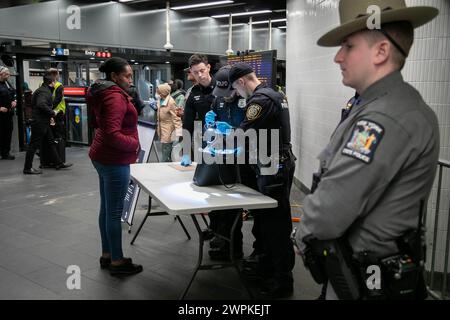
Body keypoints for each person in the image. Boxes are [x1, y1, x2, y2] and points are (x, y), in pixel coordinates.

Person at [295, 0, 440, 300]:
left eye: (348, 46)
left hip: (367, 281)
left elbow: (332, 207)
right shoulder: (376, 105)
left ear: (381, 52)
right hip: (359, 274)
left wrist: (302, 231)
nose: (338, 57)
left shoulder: (384, 118)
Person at [226, 62, 297, 298]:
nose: (237, 94)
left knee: (276, 225)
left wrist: (224, 139)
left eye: (236, 89)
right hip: (274, 163)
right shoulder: (276, 94)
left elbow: (244, 133)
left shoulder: (260, 101)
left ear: (242, 82)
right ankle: (268, 268)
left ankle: (282, 280)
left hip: (272, 167)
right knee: (268, 221)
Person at [87, 57, 143, 276]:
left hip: (102, 157)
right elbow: (112, 133)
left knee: (106, 209)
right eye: (127, 76)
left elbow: (98, 125)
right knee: (114, 213)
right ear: (114, 77)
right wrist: (134, 144)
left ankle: (107, 254)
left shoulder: (101, 92)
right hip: (114, 160)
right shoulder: (115, 97)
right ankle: (118, 262)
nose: (130, 80)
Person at [203, 65, 252, 261]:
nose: (224, 96)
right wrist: (210, 123)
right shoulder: (218, 99)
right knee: (219, 205)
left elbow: (249, 131)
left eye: (227, 91)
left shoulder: (248, 99)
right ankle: (221, 240)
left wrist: (231, 129)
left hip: (242, 160)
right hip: (222, 157)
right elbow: (212, 123)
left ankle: (234, 249)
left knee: (233, 208)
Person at [23, 72, 72, 174]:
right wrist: (52, 112)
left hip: (43, 121)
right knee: (33, 145)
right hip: (39, 122)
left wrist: (49, 116)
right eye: (55, 81)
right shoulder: (45, 92)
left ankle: (58, 162)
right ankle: (27, 168)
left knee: (50, 142)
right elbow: (41, 104)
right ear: (52, 82)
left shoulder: (42, 90)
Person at [180, 54, 216, 166]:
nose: (200, 75)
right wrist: (186, 152)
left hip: (227, 137)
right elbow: (187, 124)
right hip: (206, 139)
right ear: (191, 71)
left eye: (202, 70)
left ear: (208, 67)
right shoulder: (193, 93)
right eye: (195, 72)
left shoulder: (222, 87)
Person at [156, 83, 182, 162]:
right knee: (165, 148)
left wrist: (179, 131)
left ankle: (162, 164)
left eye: (159, 91)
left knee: (166, 149)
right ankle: (167, 163)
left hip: (168, 129)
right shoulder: (160, 99)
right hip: (161, 126)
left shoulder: (171, 102)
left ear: (163, 92)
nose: (157, 93)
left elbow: (176, 117)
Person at [0, 67, 16, 160]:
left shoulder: (7, 83)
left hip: (8, 114)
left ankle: (5, 153)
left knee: (8, 133)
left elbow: (12, 94)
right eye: (6, 74)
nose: (8, 76)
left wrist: (14, 101)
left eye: (8, 74)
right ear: (1, 74)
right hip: (0, 115)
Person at [47, 68, 66, 140]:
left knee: (51, 131)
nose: (58, 75)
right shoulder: (59, 85)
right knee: (58, 131)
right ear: (55, 75)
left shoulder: (43, 84)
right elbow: (58, 99)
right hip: (58, 112)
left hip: (48, 111)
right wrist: (51, 109)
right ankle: (59, 147)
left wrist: (47, 109)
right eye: (58, 74)